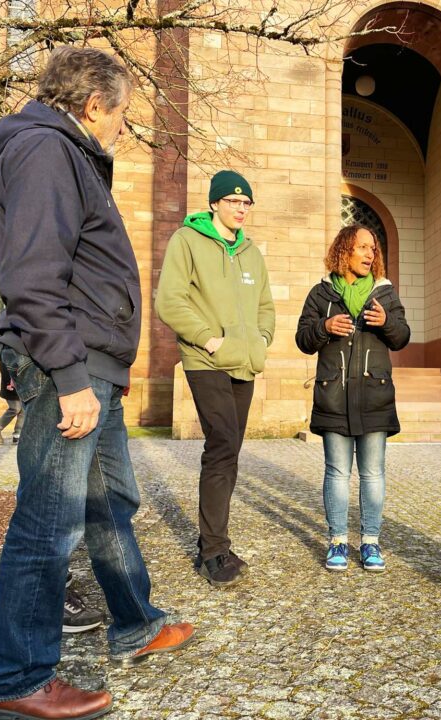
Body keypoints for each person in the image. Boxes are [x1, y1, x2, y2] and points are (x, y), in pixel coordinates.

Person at [0, 47, 194, 720]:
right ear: (93, 105)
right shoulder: (47, 150)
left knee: (109, 504)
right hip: (67, 368)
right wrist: (73, 377)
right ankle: (19, 678)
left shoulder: (64, 151)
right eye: (122, 113)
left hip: (92, 365)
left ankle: (135, 623)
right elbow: (33, 276)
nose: (123, 128)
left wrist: (106, 369)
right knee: (49, 521)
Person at [155, 170, 275, 588]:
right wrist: (208, 339)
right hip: (205, 360)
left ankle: (214, 541)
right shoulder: (187, 240)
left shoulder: (251, 252)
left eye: (246, 203)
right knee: (222, 443)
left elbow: (265, 306)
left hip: (244, 361)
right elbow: (169, 300)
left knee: (230, 450)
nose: (241, 209)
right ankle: (212, 551)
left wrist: (260, 340)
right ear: (214, 204)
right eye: (232, 201)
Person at [295, 225, 410, 572]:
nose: (370, 254)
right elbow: (303, 339)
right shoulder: (321, 293)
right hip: (334, 396)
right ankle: (338, 541)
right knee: (336, 472)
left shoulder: (384, 293)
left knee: (373, 473)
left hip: (374, 396)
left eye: (373, 249)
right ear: (344, 251)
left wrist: (387, 322)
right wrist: (324, 327)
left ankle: (371, 541)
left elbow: (402, 337)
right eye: (362, 247)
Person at [0, 361, 23, 445]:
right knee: (15, 408)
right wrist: (9, 383)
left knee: (23, 410)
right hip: (10, 387)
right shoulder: (6, 355)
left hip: (21, 385)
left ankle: (18, 435)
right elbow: (5, 370)